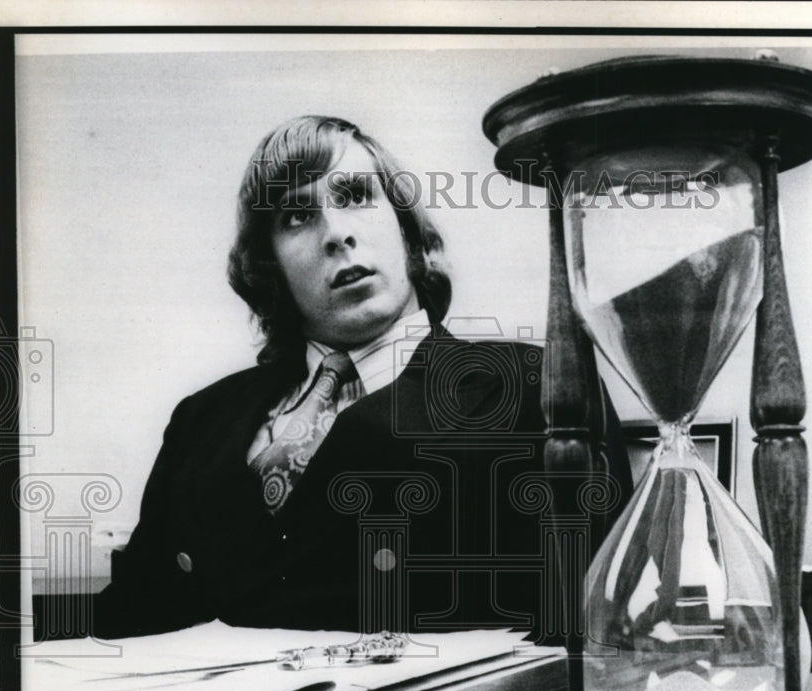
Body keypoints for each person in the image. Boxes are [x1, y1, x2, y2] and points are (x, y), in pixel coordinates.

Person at [91, 115, 631, 642]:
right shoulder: (200, 421)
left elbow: (600, 620)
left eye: (354, 196)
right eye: (296, 217)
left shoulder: (539, 388)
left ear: (408, 232)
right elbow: (131, 615)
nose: (337, 234)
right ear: (269, 265)